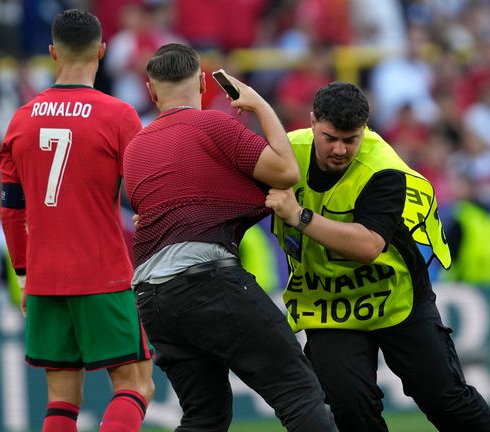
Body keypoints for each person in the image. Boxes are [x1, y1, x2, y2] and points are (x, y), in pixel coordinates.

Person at [266, 82, 490, 432]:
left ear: (365, 129)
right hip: (330, 306)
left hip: (397, 298)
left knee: (445, 400)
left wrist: (299, 217)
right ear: (312, 121)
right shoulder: (287, 152)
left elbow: (367, 247)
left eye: (350, 140)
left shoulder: (384, 168)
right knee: (351, 410)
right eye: (330, 137)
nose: (339, 149)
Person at [123, 43, 336, 432]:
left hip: (151, 298)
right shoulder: (213, 125)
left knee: (205, 417)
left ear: (151, 91)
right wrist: (259, 105)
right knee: (298, 389)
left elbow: (162, 206)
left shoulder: (135, 148)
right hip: (206, 280)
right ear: (205, 83)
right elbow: (287, 171)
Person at [0, 10, 154, 432]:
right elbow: (147, 193)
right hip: (103, 273)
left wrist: (25, 276)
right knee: (136, 386)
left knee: (62, 401)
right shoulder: (118, 115)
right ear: (102, 51)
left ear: (52, 53)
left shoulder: (20, 119)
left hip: (45, 278)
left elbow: (12, 211)